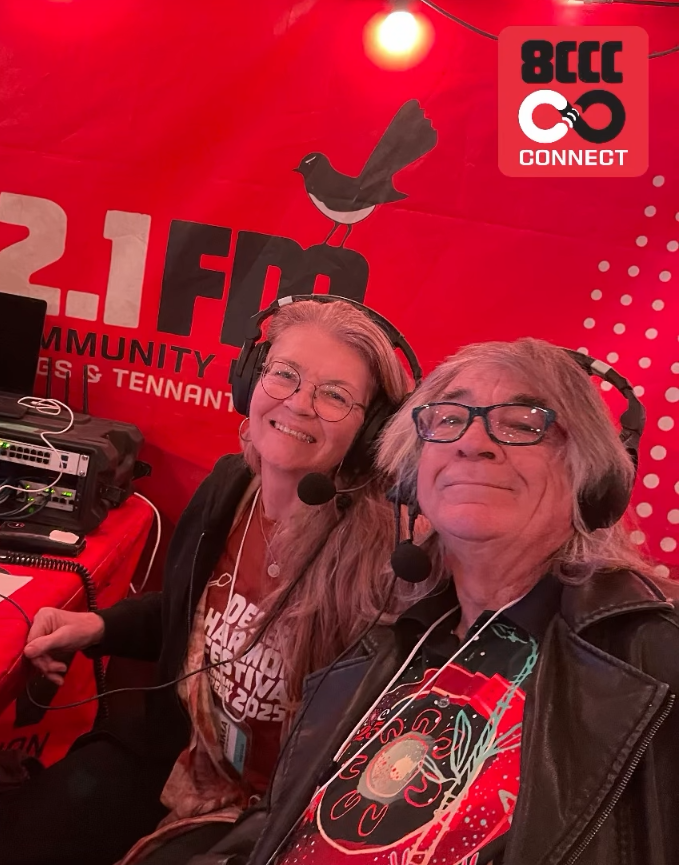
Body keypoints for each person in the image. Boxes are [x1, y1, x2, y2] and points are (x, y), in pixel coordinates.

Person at [182, 337, 679, 865]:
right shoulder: (383, 649)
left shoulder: (653, 657)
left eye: (522, 423)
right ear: (410, 478)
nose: (473, 442)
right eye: (449, 419)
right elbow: (280, 821)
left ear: (593, 479)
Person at [0, 296, 414, 865]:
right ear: (251, 381)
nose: (298, 403)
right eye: (284, 374)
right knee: (15, 836)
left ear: (372, 430)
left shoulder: (384, 556)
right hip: (176, 758)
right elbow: (196, 614)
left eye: (334, 395)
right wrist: (97, 627)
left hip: (281, 812)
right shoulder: (230, 489)